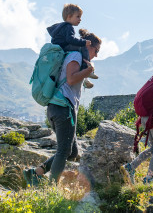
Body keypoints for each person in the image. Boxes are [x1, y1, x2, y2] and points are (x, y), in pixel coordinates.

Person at [23, 29, 102, 185]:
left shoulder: (75, 56)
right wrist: (88, 71)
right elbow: (71, 79)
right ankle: (51, 187)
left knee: (72, 152)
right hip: (62, 107)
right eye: (96, 50)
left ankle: (36, 173)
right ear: (88, 45)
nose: (97, 55)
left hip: (59, 108)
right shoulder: (76, 56)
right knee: (64, 151)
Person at [47, 3, 98, 89]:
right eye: (78, 16)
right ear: (70, 16)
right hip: (64, 46)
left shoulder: (60, 27)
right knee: (82, 48)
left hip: (59, 48)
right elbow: (70, 39)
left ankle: (84, 78)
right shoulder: (68, 27)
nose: (80, 19)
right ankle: (86, 70)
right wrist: (84, 42)